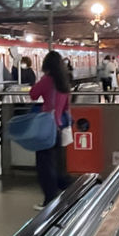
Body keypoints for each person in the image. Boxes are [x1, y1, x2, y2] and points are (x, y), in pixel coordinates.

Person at [29, 51, 72, 211]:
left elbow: (33, 94)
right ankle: (65, 193)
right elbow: (66, 106)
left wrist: (41, 81)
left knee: (44, 166)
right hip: (59, 127)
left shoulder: (47, 80)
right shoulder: (64, 81)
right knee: (57, 165)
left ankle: (49, 201)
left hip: (46, 129)